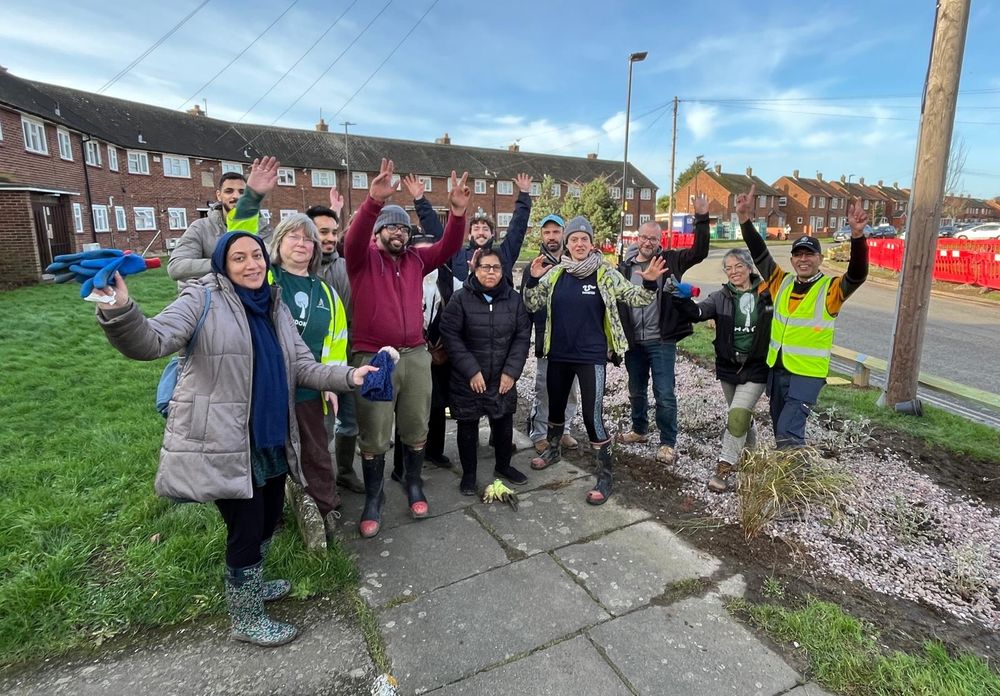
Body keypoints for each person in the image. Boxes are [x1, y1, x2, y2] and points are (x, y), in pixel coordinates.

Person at [92, 231, 376, 648]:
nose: (252, 264)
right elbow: (150, 341)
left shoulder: (273, 306)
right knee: (244, 528)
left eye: (257, 256)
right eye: (239, 258)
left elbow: (303, 366)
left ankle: (253, 583)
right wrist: (119, 309)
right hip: (227, 442)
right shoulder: (202, 299)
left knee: (267, 517)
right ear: (223, 264)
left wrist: (350, 376)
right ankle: (245, 617)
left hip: (272, 438)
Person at [345, 159, 469, 539]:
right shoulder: (361, 259)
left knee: (417, 425)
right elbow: (353, 238)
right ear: (379, 231)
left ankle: (413, 483)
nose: (397, 232)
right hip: (373, 357)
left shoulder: (417, 258)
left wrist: (458, 212)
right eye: (390, 226)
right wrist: (373, 203)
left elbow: (449, 245)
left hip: (416, 355)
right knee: (375, 433)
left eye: (403, 226)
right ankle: (374, 497)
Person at [523, 216, 666, 505]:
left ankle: (605, 473)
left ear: (591, 244)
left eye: (583, 239)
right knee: (556, 408)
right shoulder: (556, 273)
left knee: (592, 416)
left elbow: (636, 298)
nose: (578, 244)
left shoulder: (605, 273)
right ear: (567, 243)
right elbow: (531, 303)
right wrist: (532, 279)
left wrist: (650, 284)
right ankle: (552, 449)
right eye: (573, 239)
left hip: (591, 357)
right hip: (559, 355)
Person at [737, 184, 869, 450]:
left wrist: (857, 236)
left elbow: (857, 275)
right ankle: (790, 478)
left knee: (788, 431)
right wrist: (744, 219)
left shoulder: (830, 290)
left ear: (820, 259)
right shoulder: (781, 282)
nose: (804, 260)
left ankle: (795, 484)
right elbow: (759, 253)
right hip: (778, 369)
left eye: (810, 255)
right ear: (793, 259)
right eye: (798, 255)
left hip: (807, 375)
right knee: (779, 428)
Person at [265, 213, 349, 537]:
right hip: (268, 386)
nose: (302, 244)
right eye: (293, 237)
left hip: (310, 389)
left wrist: (332, 382)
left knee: (317, 453)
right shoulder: (266, 280)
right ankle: (269, 521)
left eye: (308, 239)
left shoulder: (327, 293)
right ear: (279, 242)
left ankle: (327, 512)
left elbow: (337, 339)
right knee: (268, 456)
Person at [616, 198, 710, 466]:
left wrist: (701, 218)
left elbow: (700, 252)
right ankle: (639, 430)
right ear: (638, 238)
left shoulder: (671, 260)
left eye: (653, 238)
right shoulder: (626, 268)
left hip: (662, 340)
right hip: (634, 342)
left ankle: (668, 442)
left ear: (661, 240)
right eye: (644, 237)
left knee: (664, 392)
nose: (648, 242)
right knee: (636, 390)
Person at [672, 248, 772, 492]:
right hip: (729, 368)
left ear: (749, 267)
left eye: (738, 266)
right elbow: (698, 313)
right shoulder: (721, 296)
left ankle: (724, 467)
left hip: (757, 367)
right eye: (728, 267)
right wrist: (680, 298)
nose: (734, 271)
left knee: (737, 415)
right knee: (741, 415)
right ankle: (751, 455)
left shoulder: (768, 294)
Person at [439, 248, 531, 494]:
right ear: (475, 269)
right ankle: (469, 475)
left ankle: (503, 466)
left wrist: (511, 372)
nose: (491, 272)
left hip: (502, 378)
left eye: (496, 267)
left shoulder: (513, 300)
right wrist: (471, 370)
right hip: (468, 379)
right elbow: (450, 335)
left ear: (503, 271)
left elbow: (522, 337)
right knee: (467, 426)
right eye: (485, 267)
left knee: (503, 424)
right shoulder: (460, 299)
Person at [306, 194, 365, 495]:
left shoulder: (347, 266)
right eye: (321, 232)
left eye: (332, 232)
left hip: (349, 357)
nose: (328, 238)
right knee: (320, 429)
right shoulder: (299, 271)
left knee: (350, 421)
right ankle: (317, 484)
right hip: (312, 363)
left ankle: (344, 470)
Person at [522, 213, 580, 455]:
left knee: (571, 390)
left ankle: (564, 429)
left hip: (574, 340)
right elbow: (526, 304)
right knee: (544, 388)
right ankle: (539, 433)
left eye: (556, 232)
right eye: (547, 232)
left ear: (563, 234)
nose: (552, 237)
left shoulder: (575, 264)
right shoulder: (534, 267)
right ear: (542, 236)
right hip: (547, 340)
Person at [415, 173, 533, 285]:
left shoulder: (504, 253)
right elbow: (437, 231)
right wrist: (420, 200)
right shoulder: (456, 255)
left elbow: (517, 227)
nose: (481, 233)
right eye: (476, 229)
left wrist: (524, 194)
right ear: (469, 235)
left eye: (485, 229)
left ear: (492, 234)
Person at [167, 171, 270, 285]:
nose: (236, 196)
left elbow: (276, 258)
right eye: (229, 191)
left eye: (242, 192)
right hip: (216, 298)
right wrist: (223, 264)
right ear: (219, 195)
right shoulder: (201, 228)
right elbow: (176, 267)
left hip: (256, 296)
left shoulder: (262, 227)